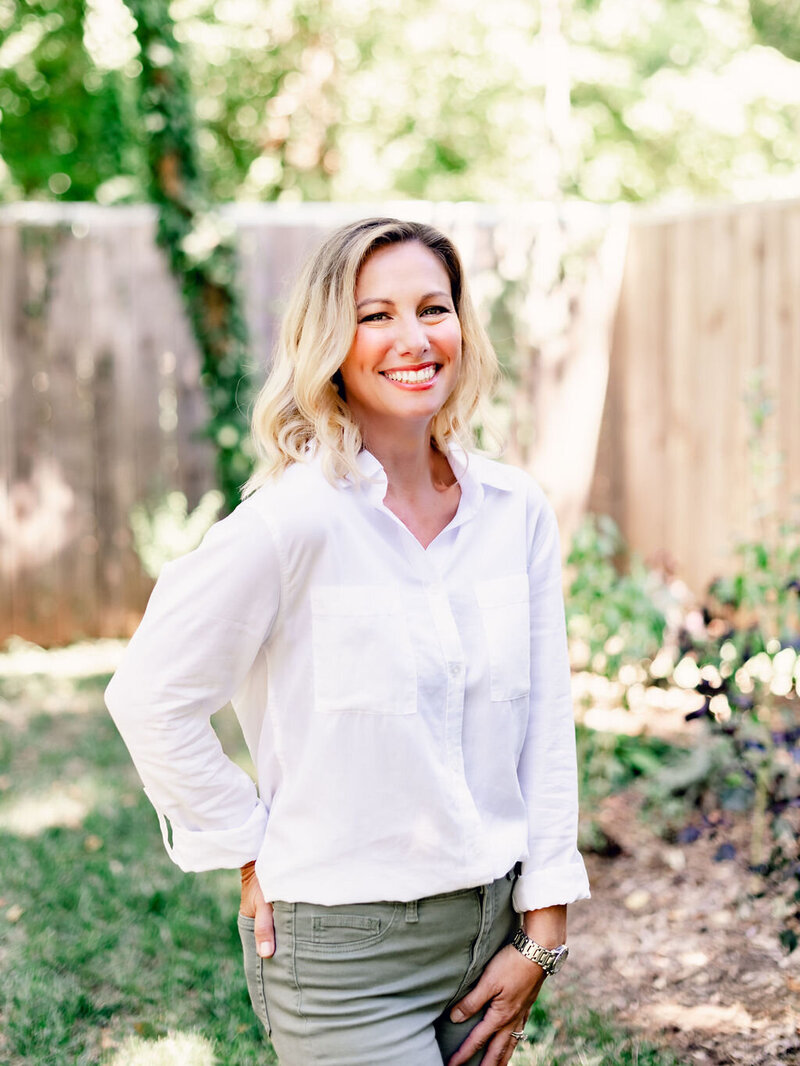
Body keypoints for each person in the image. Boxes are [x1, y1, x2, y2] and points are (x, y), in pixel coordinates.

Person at [105, 216, 590, 1066]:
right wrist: (246, 851)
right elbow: (151, 694)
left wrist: (542, 926)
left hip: (491, 935)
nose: (414, 338)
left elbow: (546, 721)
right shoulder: (292, 523)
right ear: (330, 340)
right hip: (344, 961)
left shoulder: (516, 514)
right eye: (376, 316)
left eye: (433, 308)